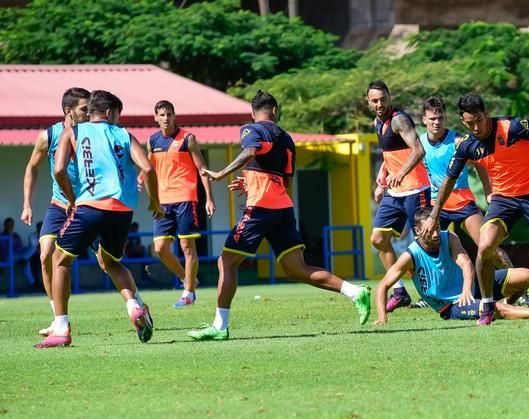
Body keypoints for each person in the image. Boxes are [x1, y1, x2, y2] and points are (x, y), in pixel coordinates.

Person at [188, 90, 371, 341]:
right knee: (296, 268)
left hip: (260, 208)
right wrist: (250, 184)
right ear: (275, 111)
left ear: (253, 113)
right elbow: (283, 181)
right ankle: (354, 291)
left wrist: (221, 173)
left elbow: (251, 152)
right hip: (283, 208)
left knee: (226, 262)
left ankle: (220, 326)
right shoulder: (286, 139)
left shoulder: (251, 129)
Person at [420, 93, 529, 326]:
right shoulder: (467, 145)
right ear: (463, 121)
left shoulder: (512, 127)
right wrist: (433, 215)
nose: (476, 127)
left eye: (479, 120)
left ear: (486, 113)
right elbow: (448, 181)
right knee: (484, 246)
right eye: (469, 123)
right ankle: (488, 306)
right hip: (504, 200)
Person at [35, 90, 164, 348]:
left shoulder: (72, 132)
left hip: (89, 207)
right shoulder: (125, 135)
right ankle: (134, 306)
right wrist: (155, 203)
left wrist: (72, 199)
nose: (118, 119)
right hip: (122, 213)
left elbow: (59, 169)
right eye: (118, 114)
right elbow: (148, 168)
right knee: (111, 262)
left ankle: (61, 327)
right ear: (109, 113)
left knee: (59, 260)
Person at [375, 209, 529, 324]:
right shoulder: (410, 256)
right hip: (452, 306)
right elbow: (383, 286)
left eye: (437, 228)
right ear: (418, 230)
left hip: (472, 288)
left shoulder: (449, 237)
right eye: (431, 231)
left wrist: (466, 289)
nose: (436, 234)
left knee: (528, 276)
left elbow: (466, 264)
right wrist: (382, 317)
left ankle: (508, 304)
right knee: (494, 308)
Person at [21, 88, 90, 331]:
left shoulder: (93, 133)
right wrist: (27, 203)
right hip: (60, 205)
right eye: (84, 109)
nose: (89, 113)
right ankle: (58, 318)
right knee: (45, 254)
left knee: (107, 261)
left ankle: (136, 302)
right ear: (68, 111)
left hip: (89, 204)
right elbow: (32, 167)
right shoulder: (47, 136)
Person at [144, 100, 215, 307]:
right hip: (163, 203)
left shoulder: (188, 139)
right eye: (162, 115)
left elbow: (202, 169)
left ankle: (189, 294)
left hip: (186, 199)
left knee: (187, 246)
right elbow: (149, 168)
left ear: (175, 116)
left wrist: (208, 198)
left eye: (169, 114)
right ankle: (187, 279)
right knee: (160, 248)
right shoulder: (152, 141)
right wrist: (141, 182)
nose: (166, 118)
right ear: (155, 117)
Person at [367, 80, 431, 312]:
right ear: (369, 102)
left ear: (389, 97)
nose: (379, 104)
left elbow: (418, 150)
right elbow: (389, 154)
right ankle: (400, 291)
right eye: (375, 100)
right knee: (378, 239)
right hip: (394, 193)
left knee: (427, 243)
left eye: (383, 99)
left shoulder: (398, 119)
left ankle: (436, 293)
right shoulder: (377, 122)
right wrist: (382, 178)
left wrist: (401, 173)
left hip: (416, 190)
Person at [0, 217, 36, 285]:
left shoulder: (16, 235)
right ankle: (32, 283)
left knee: (32, 248)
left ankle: (24, 259)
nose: (10, 226)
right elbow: (4, 250)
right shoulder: (1, 236)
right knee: (25, 261)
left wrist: (25, 250)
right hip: (8, 257)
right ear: (5, 225)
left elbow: (20, 248)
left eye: (11, 225)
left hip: (19, 255)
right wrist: (9, 236)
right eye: (8, 224)